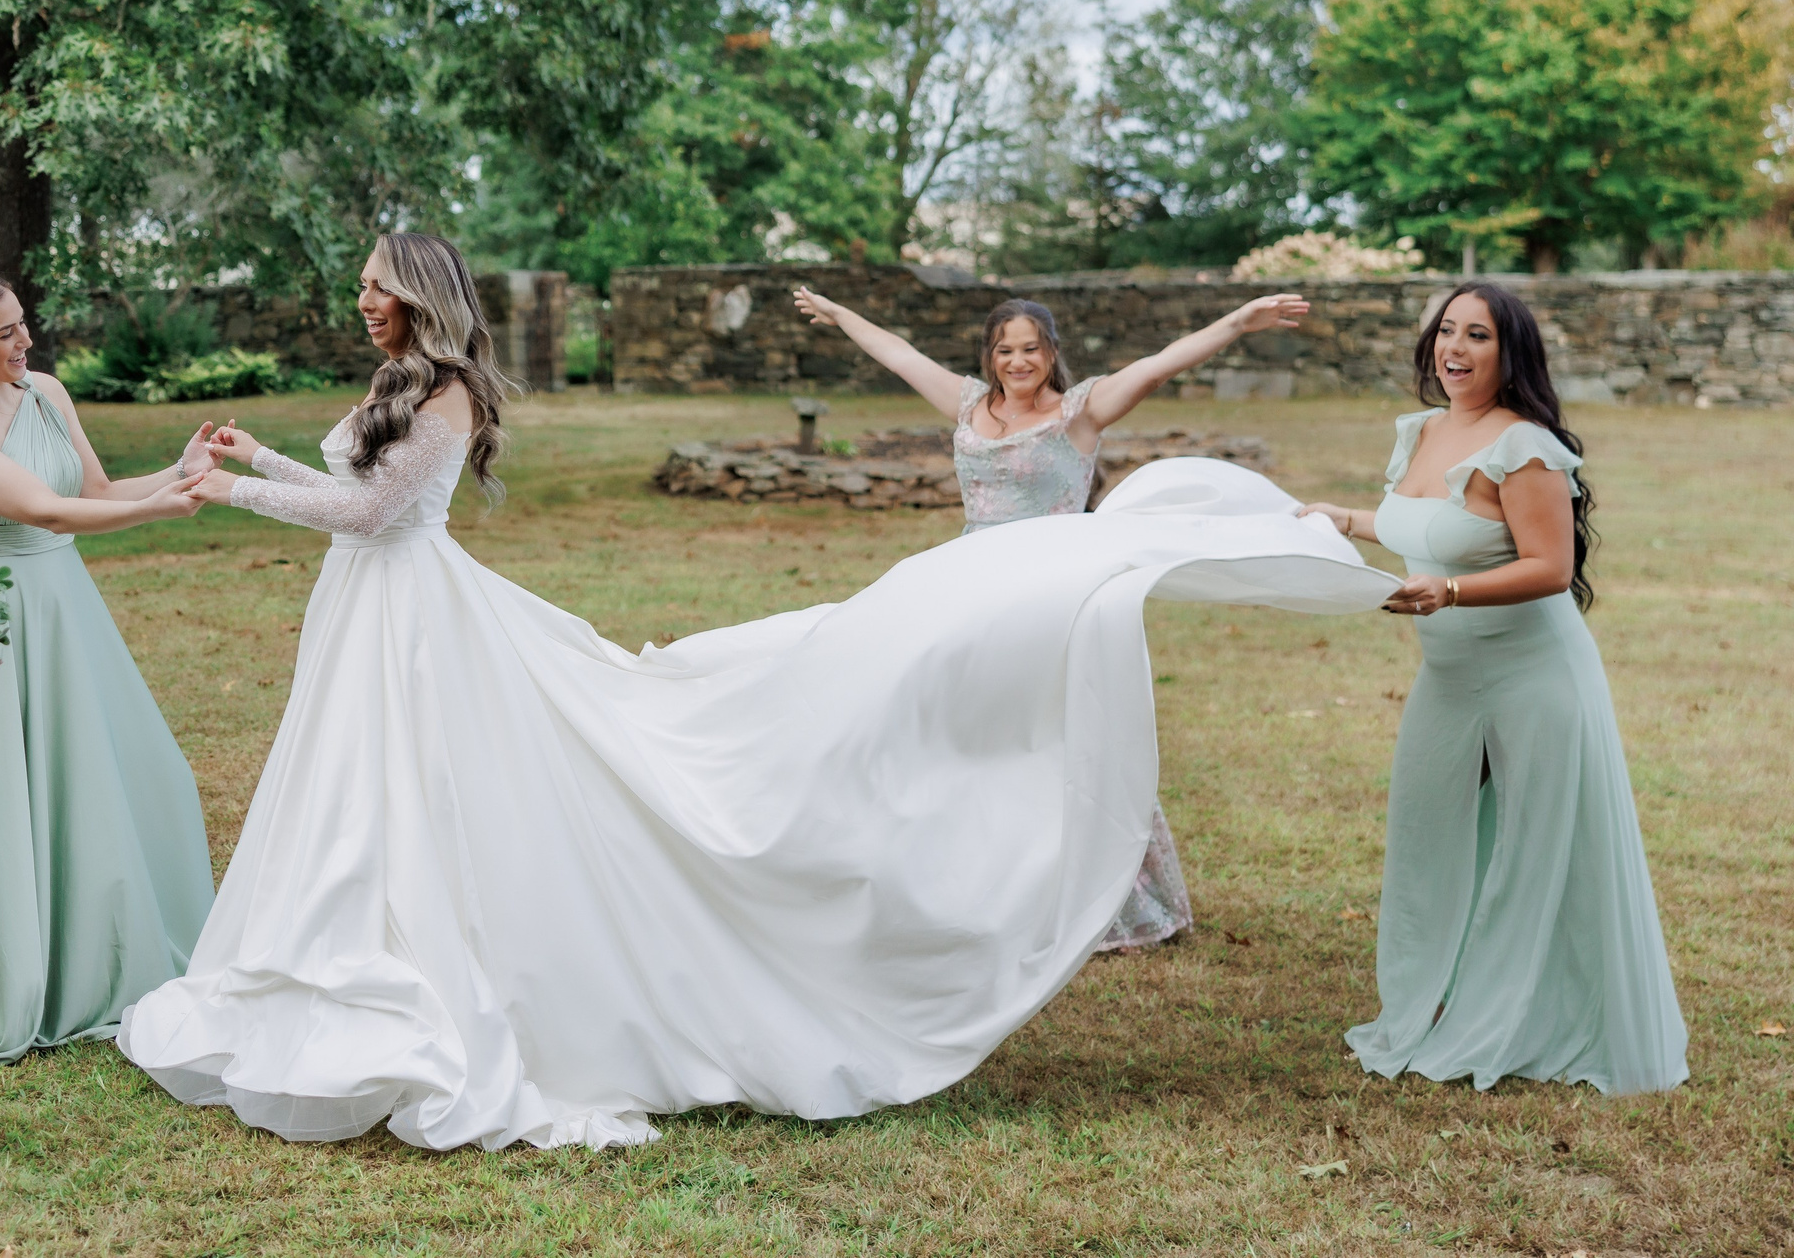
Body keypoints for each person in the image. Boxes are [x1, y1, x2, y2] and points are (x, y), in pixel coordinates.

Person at [114, 234, 1396, 1152]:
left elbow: (373, 515)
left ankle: (434, 966)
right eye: (361, 285)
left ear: (418, 299)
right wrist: (257, 451)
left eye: (374, 286)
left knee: (438, 791)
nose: (359, 300)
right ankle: (352, 949)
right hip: (373, 618)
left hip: (423, 621)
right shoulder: (398, 385)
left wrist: (227, 489)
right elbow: (358, 498)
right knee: (366, 795)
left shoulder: (444, 391)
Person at [789, 286, 1312, 951]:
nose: (1017, 361)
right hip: (969, 594)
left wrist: (1237, 321)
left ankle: (1114, 901)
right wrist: (842, 314)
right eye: (1004, 350)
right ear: (989, 356)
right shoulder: (968, 404)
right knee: (961, 734)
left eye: (1030, 349)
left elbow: (1158, 366)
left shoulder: (1080, 412)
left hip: (1051, 599)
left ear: (1051, 352)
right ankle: (971, 885)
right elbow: (899, 355)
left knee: (1068, 744)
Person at [1299, 282, 1686, 1095]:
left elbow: (1551, 567)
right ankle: (1432, 996)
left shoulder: (1524, 447)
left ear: (1511, 354)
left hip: (1534, 675)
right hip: (1449, 678)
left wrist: (1450, 592)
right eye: (1448, 331)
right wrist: (1346, 519)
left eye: (1478, 335)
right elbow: (1422, 526)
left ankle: (1531, 1014)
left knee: (1539, 848)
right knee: (1425, 836)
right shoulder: (1423, 432)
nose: (1456, 348)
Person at [0, 271, 217, 1063]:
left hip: (65, 603)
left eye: (22, 324)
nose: (26, 340)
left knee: (128, 773)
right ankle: (11, 967)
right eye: (5, 332)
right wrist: (153, 513)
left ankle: (103, 942)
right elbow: (42, 510)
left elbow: (96, 489)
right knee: (4, 794)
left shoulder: (45, 392)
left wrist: (178, 471)